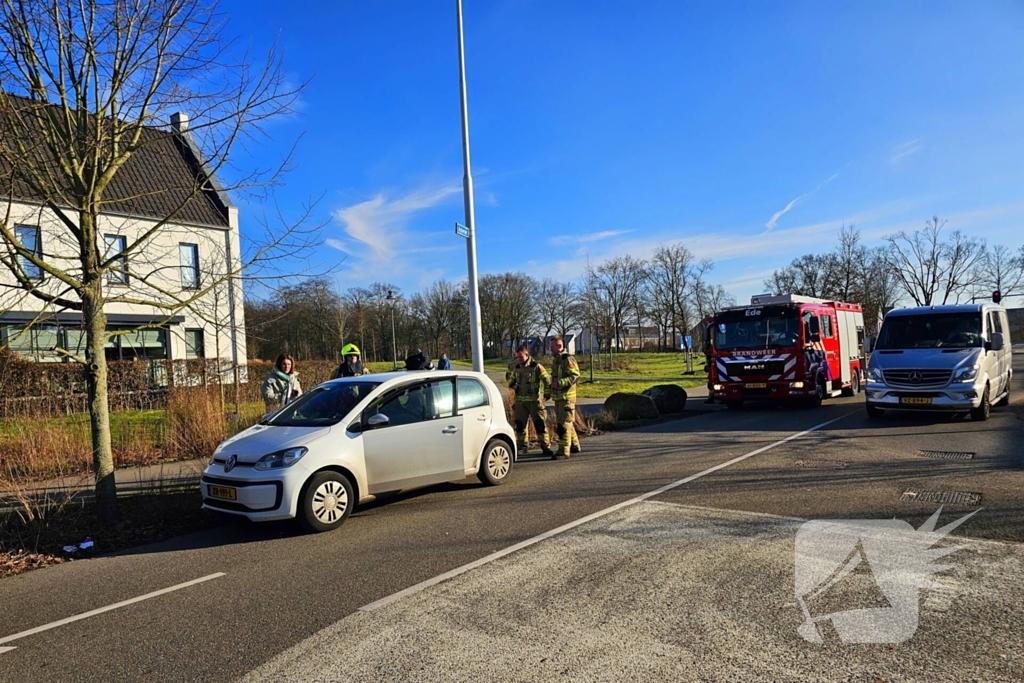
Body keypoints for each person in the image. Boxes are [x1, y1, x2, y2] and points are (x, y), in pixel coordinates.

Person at [506, 344, 553, 456]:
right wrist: (513, 385)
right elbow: (510, 381)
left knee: (540, 425)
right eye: (517, 357)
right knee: (520, 425)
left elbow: (547, 380)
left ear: (527, 355)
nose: (519, 359)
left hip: (534, 402)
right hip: (520, 402)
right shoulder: (517, 368)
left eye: (521, 356)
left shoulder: (536, 366)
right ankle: (522, 446)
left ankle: (546, 447)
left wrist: (547, 393)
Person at [547, 336, 581, 459]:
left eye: (552, 347)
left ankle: (563, 451)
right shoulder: (557, 360)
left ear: (559, 346)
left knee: (564, 424)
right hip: (559, 398)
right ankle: (575, 445)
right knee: (567, 422)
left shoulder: (567, 359)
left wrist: (560, 383)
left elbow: (575, 375)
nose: (550, 350)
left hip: (566, 398)